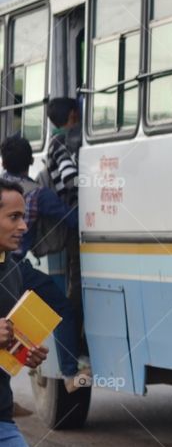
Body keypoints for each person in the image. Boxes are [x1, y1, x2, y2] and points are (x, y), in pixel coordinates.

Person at [1, 136, 87, 392]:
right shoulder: (37, 193)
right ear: (30, 161)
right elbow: (71, 220)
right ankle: (70, 373)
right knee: (60, 306)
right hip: (15, 267)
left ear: (3, 162)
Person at [0, 178, 49, 447]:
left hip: (1, 421)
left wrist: (24, 352)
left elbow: (6, 345)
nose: (24, 225)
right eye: (14, 217)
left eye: (23, 217)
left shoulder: (14, 271)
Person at [45, 98, 83, 324]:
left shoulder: (56, 140)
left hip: (72, 216)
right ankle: (75, 333)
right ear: (72, 114)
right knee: (77, 280)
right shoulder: (60, 142)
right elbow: (70, 179)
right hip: (75, 214)